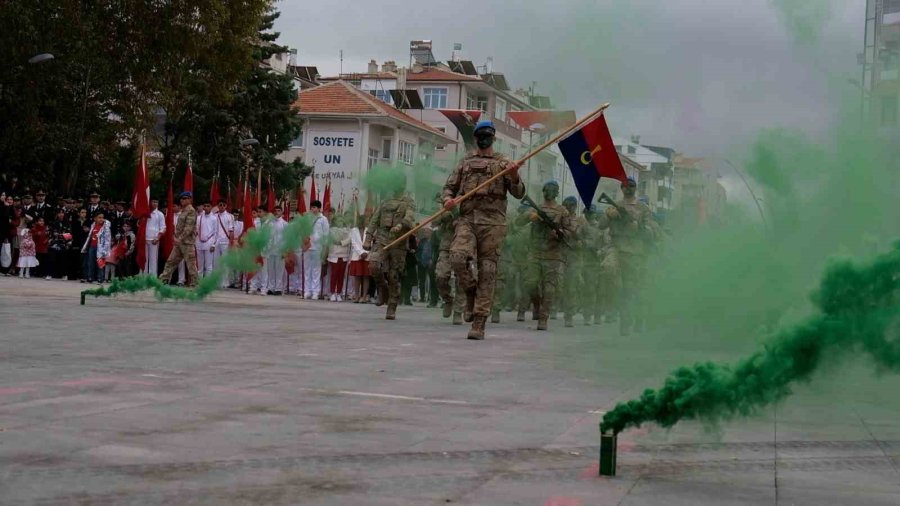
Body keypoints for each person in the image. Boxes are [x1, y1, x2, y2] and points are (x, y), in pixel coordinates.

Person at [442, 119, 524, 339]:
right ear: (476, 138)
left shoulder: (504, 163)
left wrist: (514, 176)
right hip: (468, 219)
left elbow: (519, 193)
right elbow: (449, 187)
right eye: (480, 136)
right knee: (457, 257)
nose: (484, 139)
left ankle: (479, 323)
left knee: (487, 272)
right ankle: (470, 291)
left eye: (488, 135)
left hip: (493, 223)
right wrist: (448, 200)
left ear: (493, 138)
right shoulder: (465, 163)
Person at [595, 177, 659, 336]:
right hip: (615, 248)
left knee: (629, 290)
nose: (628, 188)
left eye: (631, 186)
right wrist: (609, 216)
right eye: (625, 186)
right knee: (608, 271)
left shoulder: (643, 208)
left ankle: (626, 321)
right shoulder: (614, 205)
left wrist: (638, 227)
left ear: (635, 188)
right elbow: (601, 225)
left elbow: (651, 233)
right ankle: (614, 307)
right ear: (621, 188)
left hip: (634, 252)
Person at [517, 180, 574, 331]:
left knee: (549, 289)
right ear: (543, 191)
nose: (551, 192)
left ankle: (543, 317)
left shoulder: (562, 211)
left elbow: (570, 232)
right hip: (535, 252)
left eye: (554, 189)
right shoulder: (535, 208)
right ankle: (536, 304)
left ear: (557, 192)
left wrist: (559, 233)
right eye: (548, 189)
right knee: (531, 283)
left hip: (553, 254)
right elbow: (518, 222)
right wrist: (530, 217)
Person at [364, 179, 415, 320]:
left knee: (394, 275)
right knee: (373, 264)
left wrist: (401, 226)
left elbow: (410, 217)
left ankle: (392, 306)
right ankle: (382, 288)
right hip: (382, 238)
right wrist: (368, 237)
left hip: (398, 241)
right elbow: (375, 219)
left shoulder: (408, 201)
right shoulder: (385, 201)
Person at [159, 192, 199, 287]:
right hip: (179, 243)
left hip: (187, 243)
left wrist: (179, 238)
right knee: (171, 261)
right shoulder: (184, 210)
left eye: (185, 198)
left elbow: (188, 228)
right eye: (181, 199)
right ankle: (163, 281)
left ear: (190, 199)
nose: (182, 200)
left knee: (191, 265)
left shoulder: (191, 211)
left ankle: (195, 284)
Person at [302, 200, 330, 300]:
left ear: (319, 208)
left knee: (316, 270)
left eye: (314, 207)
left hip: (318, 247)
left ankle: (315, 292)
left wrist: (325, 248)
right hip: (308, 247)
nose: (313, 209)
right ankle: (307, 291)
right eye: (312, 207)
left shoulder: (323, 219)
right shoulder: (307, 219)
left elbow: (326, 235)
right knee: (307, 269)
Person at [81, 212, 111, 284]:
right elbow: (90, 236)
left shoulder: (105, 227)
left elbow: (107, 239)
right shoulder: (93, 225)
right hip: (92, 246)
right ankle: (90, 277)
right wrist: (86, 246)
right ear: (95, 218)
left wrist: (105, 250)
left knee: (100, 263)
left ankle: (100, 278)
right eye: (99, 217)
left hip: (101, 248)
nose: (101, 219)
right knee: (90, 263)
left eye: (102, 217)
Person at [326, 214, 351, 301]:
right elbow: (332, 239)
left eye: (341, 220)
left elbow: (349, 239)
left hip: (343, 255)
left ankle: (339, 293)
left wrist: (341, 242)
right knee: (334, 275)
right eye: (338, 220)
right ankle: (332, 292)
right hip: (334, 254)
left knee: (341, 275)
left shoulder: (347, 230)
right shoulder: (331, 230)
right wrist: (339, 240)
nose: (339, 222)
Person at [265, 205, 287, 295]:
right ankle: (270, 287)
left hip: (280, 249)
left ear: (281, 212)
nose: (277, 212)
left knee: (279, 270)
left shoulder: (285, 224)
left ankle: (278, 288)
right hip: (270, 249)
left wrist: (285, 250)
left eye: (279, 211)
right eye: (275, 211)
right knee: (270, 270)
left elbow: (287, 238)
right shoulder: (269, 222)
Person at [213, 199, 234, 288]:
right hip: (215, 242)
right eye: (220, 205)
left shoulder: (230, 216)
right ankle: (217, 282)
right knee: (216, 262)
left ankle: (225, 282)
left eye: (223, 205)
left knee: (224, 263)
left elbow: (231, 230)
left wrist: (231, 242)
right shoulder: (214, 216)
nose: (221, 206)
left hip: (225, 241)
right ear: (218, 206)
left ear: (226, 206)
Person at [348, 215, 370, 303]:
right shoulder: (353, 230)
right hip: (357, 256)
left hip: (367, 255)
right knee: (357, 277)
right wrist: (361, 253)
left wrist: (366, 253)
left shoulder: (369, 230)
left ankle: (364, 297)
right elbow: (354, 243)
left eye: (364, 220)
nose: (363, 222)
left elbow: (371, 242)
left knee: (366, 276)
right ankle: (356, 296)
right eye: (361, 220)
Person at [144, 198, 166, 276]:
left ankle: (152, 278)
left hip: (154, 239)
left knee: (153, 260)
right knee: (144, 260)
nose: (155, 203)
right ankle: (143, 278)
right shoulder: (145, 213)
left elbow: (163, 227)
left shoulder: (160, 214)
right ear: (150, 202)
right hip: (144, 239)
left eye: (156, 202)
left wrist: (158, 238)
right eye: (153, 202)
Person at [49, 208, 72, 279]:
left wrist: (67, 242)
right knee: (52, 259)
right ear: (57, 214)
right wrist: (58, 235)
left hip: (63, 243)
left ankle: (64, 274)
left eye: (62, 213)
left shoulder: (67, 223)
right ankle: (49, 274)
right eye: (59, 213)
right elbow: (51, 233)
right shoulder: (53, 222)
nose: (61, 214)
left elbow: (69, 234)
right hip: (54, 243)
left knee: (63, 260)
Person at [195, 202, 217, 277]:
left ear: (211, 207)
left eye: (208, 206)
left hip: (209, 243)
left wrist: (214, 245)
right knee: (200, 266)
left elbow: (216, 233)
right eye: (205, 206)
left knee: (208, 266)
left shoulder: (214, 218)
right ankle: (199, 282)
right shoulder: (199, 218)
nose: (206, 207)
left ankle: (207, 284)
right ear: (203, 207)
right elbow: (196, 230)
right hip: (199, 243)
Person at [416, 228, 435, 305]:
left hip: (431, 262)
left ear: (431, 232)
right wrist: (418, 259)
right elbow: (418, 250)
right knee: (422, 281)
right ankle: (422, 297)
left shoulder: (433, 240)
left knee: (432, 280)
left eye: (427, 232)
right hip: (422, 263)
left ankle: (432, 298)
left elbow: (434, 251)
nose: (425, 233)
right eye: (425, 232)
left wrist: (432, 259)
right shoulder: (422, 241)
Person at [70, 208, 90, 280]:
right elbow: (73, 231)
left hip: (84, 242)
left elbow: (90, 232)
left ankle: (82, 275)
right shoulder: (75, 221)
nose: (83, 214)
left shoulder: (88, 221)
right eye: (82, 212)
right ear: (79, 213)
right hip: (76, 241)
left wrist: (88, 230)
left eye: (85, 212)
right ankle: (73, 275)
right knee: (75, 258)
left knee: (83, 259)